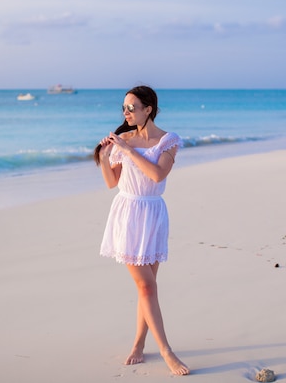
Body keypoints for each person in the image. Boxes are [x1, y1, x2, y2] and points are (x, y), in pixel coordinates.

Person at [94, 86, 190, 376]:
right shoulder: (123, 139)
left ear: (149, 109)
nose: (126, 113)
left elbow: (157, 174)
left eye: (132, 107)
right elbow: (112, 182)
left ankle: (138, 345)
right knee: (146, 287)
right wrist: (104, 154)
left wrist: (126, 151)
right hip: (128, 213)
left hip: (154, 213)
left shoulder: (167, 141)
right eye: (124, 107)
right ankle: (166, 351)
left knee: (145, 288)